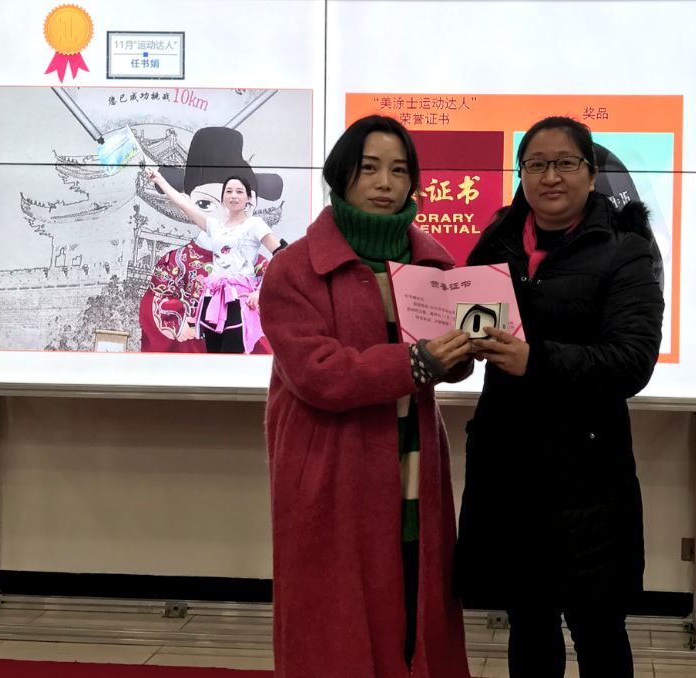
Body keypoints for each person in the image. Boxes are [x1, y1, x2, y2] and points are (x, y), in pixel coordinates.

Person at [259, 115, 473, 678]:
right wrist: (417, 362)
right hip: (332, 469)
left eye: (399, 171)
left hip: (413, 461)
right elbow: (318, 373)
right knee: (336, 614)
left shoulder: (433, 263)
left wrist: (464, 350)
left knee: (415, 595)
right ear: (341, 176)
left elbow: (444, 362)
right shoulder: (294, 269)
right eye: (369, 168)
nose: (385, 183)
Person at [455, 116, 664, 678]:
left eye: (566, 163)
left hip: (588, 478)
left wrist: (537, 360)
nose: (551, 177)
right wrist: (454, 351)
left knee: (599, 629)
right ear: (521, 174)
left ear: (591, 175)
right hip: (508, 470)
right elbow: (466, 319)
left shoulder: (625, 250)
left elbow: (633, 362)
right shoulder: (496, 241)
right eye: (537, 164)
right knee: (527, 626)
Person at [147, 169, 278, 354]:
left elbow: (282, 254)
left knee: (232, 356)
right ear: (223, 197)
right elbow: (183, 204)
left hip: (238, 299)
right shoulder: (215, 226)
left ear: (249, 198)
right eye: (229, 191)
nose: (233, 196)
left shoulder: (255, 224)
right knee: (214, 357)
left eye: (239, 191)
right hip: (213, 298)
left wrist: (260, 291)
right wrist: (160, 180)